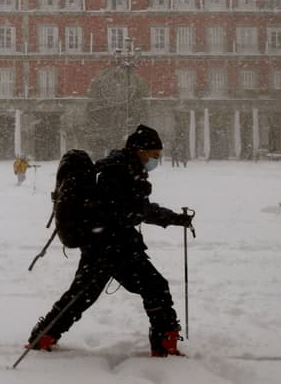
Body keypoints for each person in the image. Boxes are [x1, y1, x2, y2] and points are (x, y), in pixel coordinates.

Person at [25, 124, 194, 358]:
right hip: (113, 245)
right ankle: (166, 342)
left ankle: (45, 335)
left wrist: (170, 217)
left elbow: (131, 209)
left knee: (83, 294)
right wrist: (165, 217)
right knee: (154, 286)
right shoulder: (120, 170)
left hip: (104, 242)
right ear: (139, 150)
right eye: (154, 155)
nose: (156, 160)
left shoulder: (121, 167)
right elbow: (125, 211)